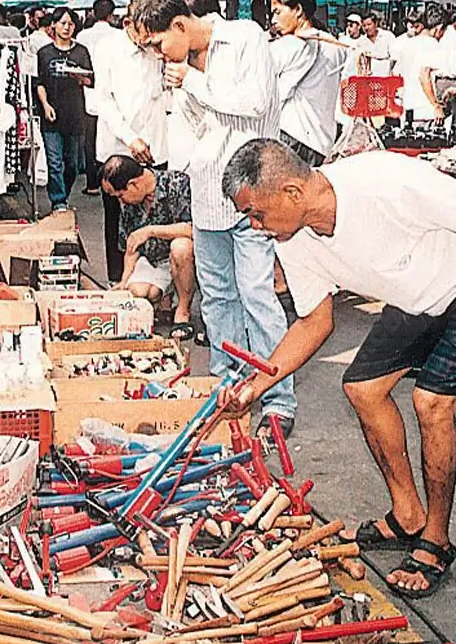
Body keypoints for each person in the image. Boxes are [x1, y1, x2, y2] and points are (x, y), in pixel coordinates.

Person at [221, 139, 456, 597]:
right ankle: (407, 514)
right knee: (362, 388)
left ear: (292, 193)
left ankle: (436, 540)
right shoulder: (293, 239)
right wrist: (255, 386)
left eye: (256, 214)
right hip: (419, 299)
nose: (255, 227)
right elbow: (315, 321)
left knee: (431, 404)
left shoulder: (382, 180)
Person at [132, 0, 299, 437]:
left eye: (158, 42)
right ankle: (228, 385)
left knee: (256, 295)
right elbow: (189, 132)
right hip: (207, 197)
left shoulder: (244, 38)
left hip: (252, 196)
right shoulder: (183, 67)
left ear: (181, 24)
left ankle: (278, 399)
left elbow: (253, 102)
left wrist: (194, 82)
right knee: (219, 298)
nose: (158, 52)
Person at [93, 14, 169, 283]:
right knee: (117, 220)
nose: (146, 39)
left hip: (155, 148)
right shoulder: (107, 48)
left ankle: (159, 283)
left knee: (157, 213)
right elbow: (103, 100)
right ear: (127, 23)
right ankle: (118, 282)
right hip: (119, 148)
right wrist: (130, 138)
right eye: (142, 33)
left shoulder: (157, 49)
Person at [101, 156, 197, 340]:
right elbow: (131, 246)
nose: (121, 201)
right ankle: (163, 300)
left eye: (121, 195)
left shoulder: (176, 183)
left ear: (133, 184)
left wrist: (151, 231)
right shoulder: (129, 203)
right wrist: (123, 281)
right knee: (139, 292)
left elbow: (192, 228)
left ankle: (183, 310)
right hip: (151, 259)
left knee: (181, 247)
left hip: (179, 257)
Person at [269, 0, 348, 164]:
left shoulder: (290, 44)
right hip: (322, 142)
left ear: (298, 10)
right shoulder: (336, 46)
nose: (273, 21)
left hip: (292, 137)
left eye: (277, 12)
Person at [37, 8, 95, 214]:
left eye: (70, 23)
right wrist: (45, 105)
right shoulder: (44, 53)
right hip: (51, 116)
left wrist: (81, 78)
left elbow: (90, 80)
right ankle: (59, 203)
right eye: (62, 23)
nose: (66, 27)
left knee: (71, 164)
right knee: (54, 163)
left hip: (76, 115)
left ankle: (64, 194)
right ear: (53, 25)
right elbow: (39, 82)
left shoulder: (81, 52)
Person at [77, 0, 119, 197]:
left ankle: (93, 182)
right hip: (114, 94)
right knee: (112, 139)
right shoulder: (118, 36)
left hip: (89, 93)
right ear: (111, 15)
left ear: (93, 13)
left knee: (90, 140)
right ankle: (115, 179)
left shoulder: (83, 36)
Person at [388, 6, 441, 123]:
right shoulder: (431, 44)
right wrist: (436, 105)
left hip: (408, 107)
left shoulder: (406, 44)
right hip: (425, 109)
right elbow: (424, 75)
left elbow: (396, 74)